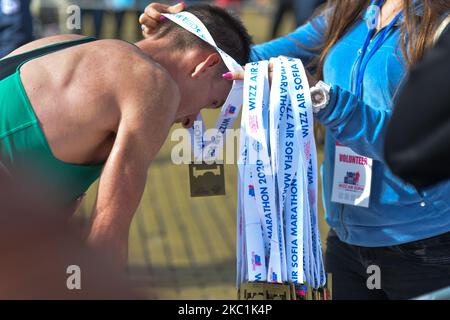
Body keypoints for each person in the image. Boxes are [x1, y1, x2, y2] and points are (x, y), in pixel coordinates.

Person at [141, 1, 450, 300]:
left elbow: (420, 140)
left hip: (424, 244)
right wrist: (177, 41)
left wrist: (326, 101)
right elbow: (243, 61)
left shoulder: (441, 25)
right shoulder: (349, 10)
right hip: (347, 241)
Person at [0, 4, 252, 268]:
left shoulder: (71, 44)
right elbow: (107, 240)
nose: (191, 121)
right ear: (205, 64)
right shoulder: (153, 86)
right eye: (212, 102)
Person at [385, 21, 450, 190]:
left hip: (417, 207)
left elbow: (410, 149)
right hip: (343, 207)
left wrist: (332, 105)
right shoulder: (353, 9)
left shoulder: (437, 21)